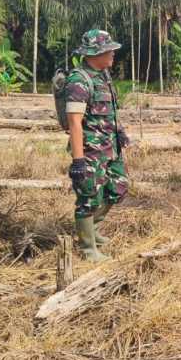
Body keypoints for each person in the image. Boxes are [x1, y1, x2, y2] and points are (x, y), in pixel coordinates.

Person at [65, 29, 130, 262]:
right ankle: (87, 248)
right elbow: (74, 121)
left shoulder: (103, 76)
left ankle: (93, 230)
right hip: (91, 151)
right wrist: (78, 160)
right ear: (95, 53)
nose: (113, 53)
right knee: (88, 197)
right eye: (108, 50)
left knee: (119, 187)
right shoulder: (79, 80)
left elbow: (109, 111)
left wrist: (119, 133)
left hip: (110, 147)